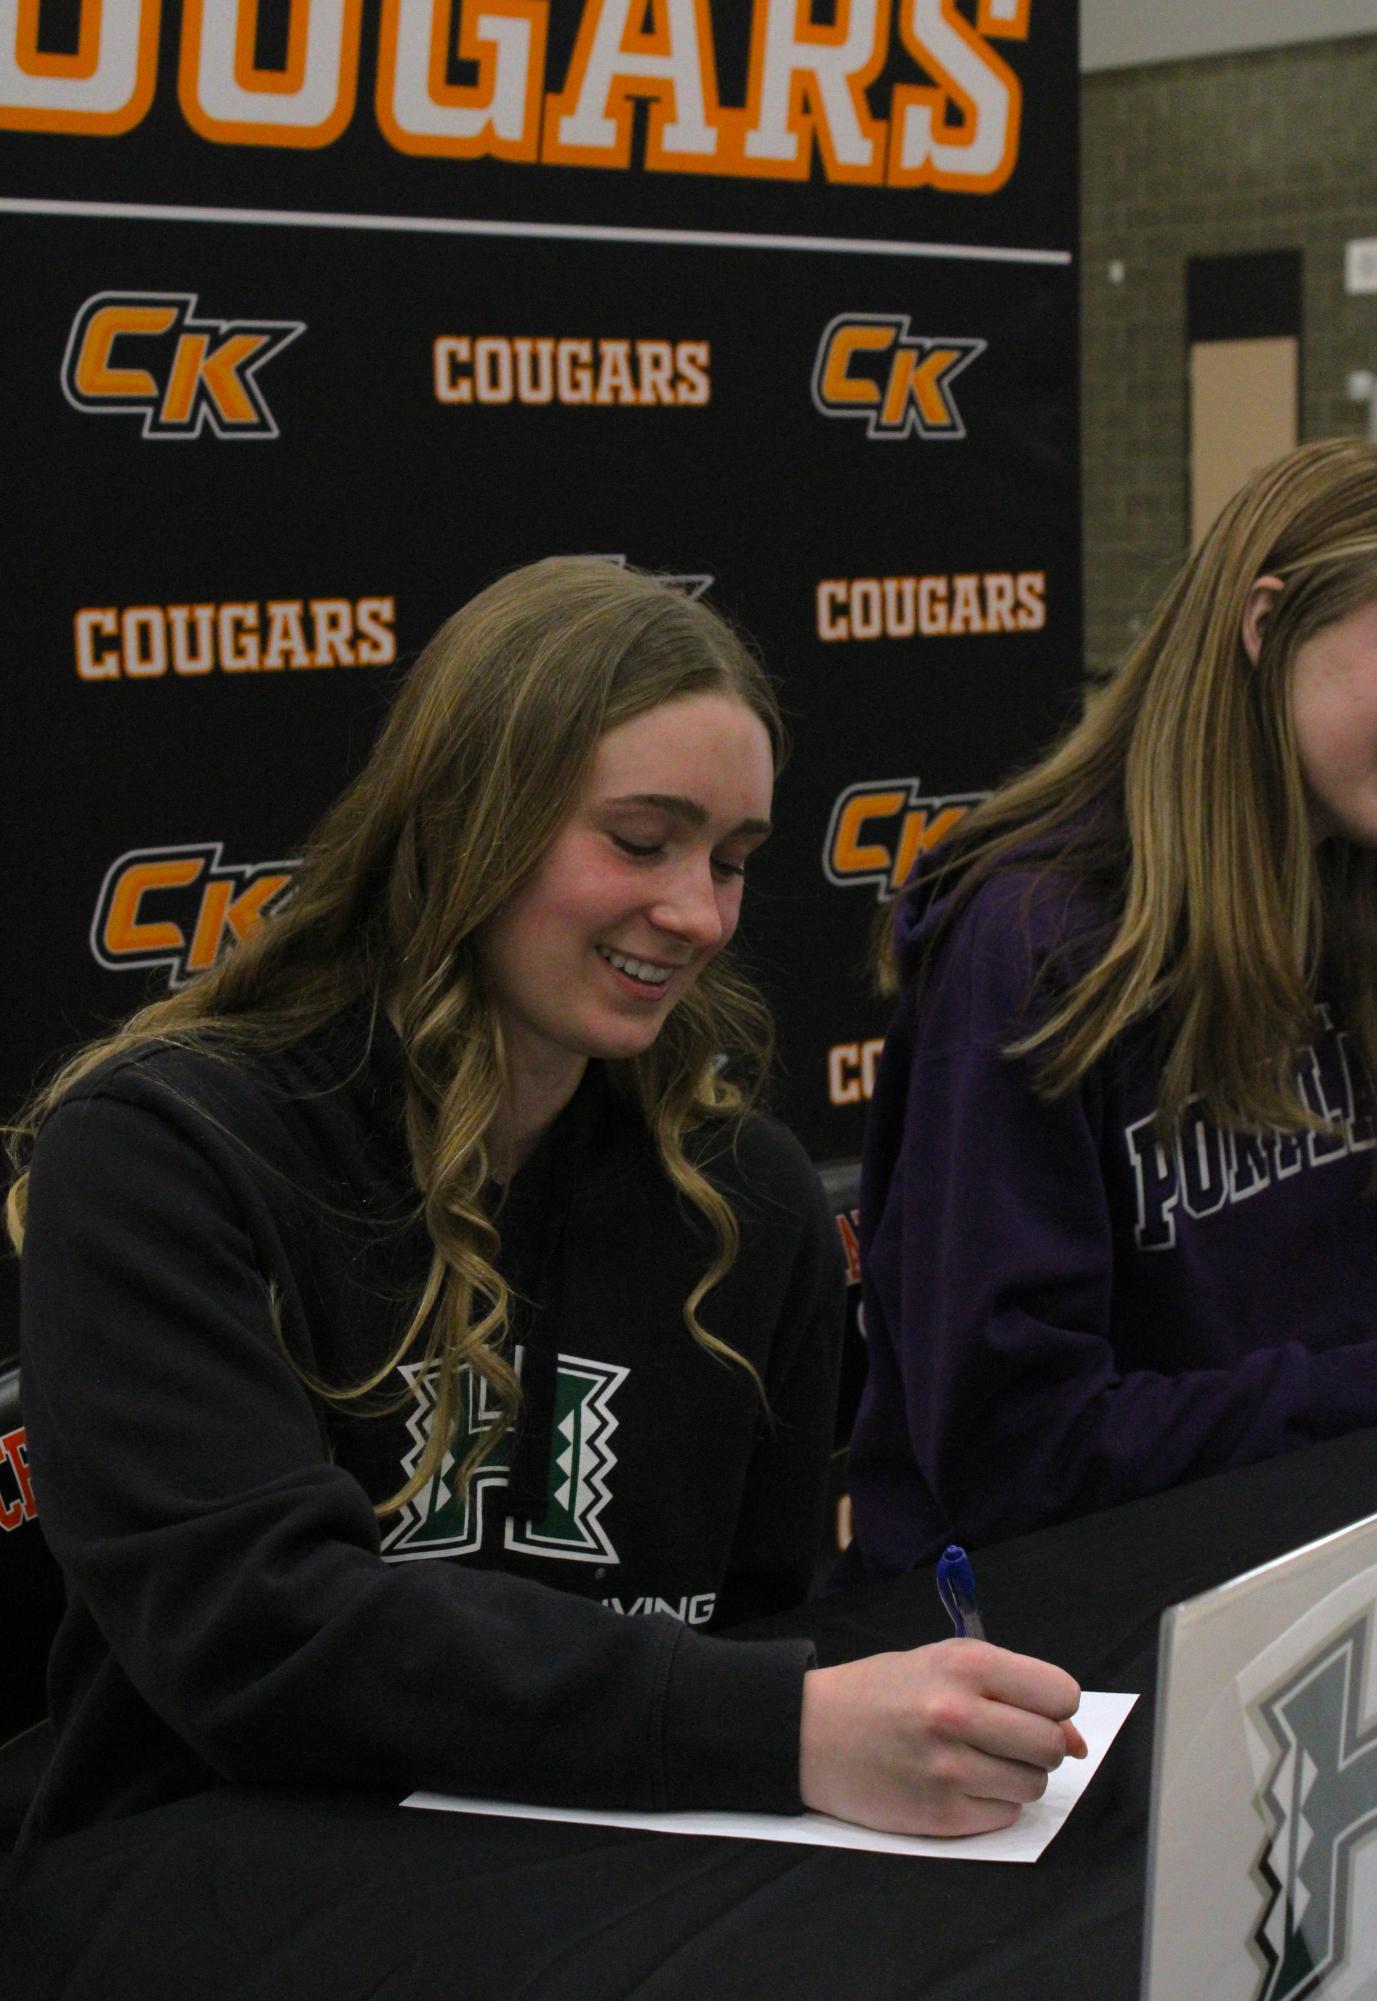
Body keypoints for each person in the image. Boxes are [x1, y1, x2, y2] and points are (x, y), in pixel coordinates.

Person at [7, 555, 1083, 1897]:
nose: (696, 913)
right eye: (639, 842)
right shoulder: (167, 1150)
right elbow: (257, 1633)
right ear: (467, 821)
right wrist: (783, 1726)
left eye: (732, 860)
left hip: (604, 1879)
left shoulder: (748, 1201)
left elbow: (760, 1616)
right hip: (216, 1881)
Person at [847, 437, 1377, 1579]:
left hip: (1309, 1597)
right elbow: (1017, 1453)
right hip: (1055, 1664)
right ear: (1265, 622)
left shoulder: (1356, 895)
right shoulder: (1037, 942)